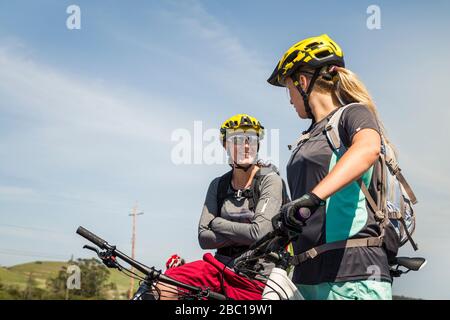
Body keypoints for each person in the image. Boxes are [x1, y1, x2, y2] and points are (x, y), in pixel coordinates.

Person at [267, 34, 393, 300]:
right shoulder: (307, 136)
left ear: (302, 82)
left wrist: (312, 198)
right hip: (307, 276)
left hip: (353, 274)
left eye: (289, 89)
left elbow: (367, 148)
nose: (290, 100)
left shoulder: (352, 114)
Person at [155, 114, 287, 300]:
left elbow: (260, 234)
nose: (246, 146)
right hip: (219, 266)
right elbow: (203, 238)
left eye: (252, 139)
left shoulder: (270, 180)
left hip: (256, 275)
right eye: (238, 140)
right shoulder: (218, 185)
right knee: (163, 285)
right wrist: (245, 235)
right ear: (225, 145)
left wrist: (217, 223)